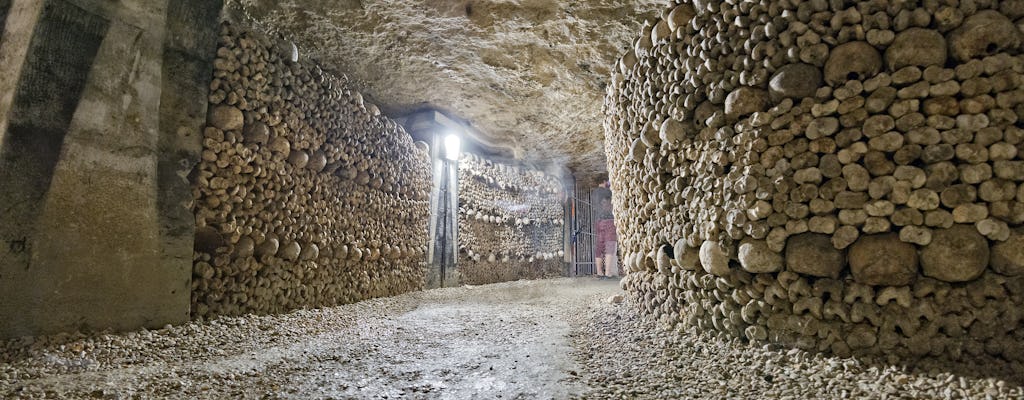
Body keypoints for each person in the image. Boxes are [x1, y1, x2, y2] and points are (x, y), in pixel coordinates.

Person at [593, 182, 618, 279]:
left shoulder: (595, 194)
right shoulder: (608, 192)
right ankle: (607, 273)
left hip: (599, 221)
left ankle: (599, 272)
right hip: (610, 221)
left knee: (599, 247)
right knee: (609, 246)